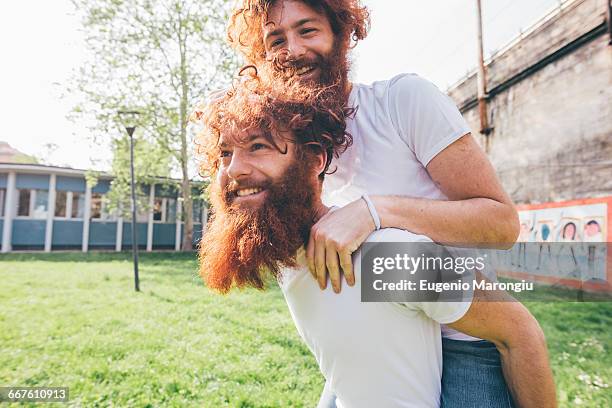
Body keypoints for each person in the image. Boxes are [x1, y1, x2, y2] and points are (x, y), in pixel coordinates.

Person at [225, 1, 532, 407]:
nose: (293, 50)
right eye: (275, 39)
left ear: (341, 33)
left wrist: (375, 210)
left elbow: (501, 225)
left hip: (463, 343)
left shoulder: (403, 101)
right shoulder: (294, 147)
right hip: (377, 342)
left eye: (308, 30)